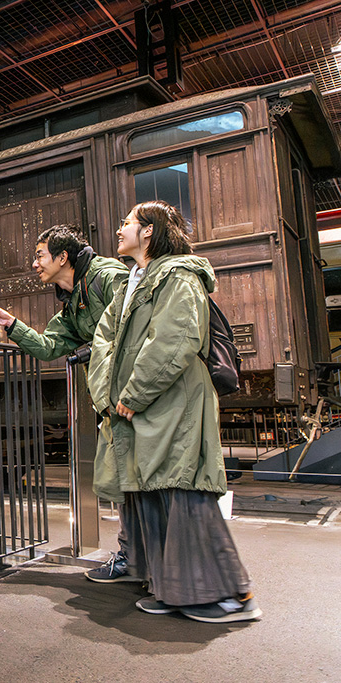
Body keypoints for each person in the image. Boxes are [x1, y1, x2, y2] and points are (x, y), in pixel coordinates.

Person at [88, 199, 260, 623]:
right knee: (155, 489)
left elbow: (176, 338)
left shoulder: (179, 274)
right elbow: (104, 339)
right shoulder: (137, 279)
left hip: (172, 398)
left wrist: (133, 392)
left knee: (183, 489)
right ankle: (176, 589)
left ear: (148, 231)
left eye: (127, 222)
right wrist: (112, 394)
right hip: (148, 402)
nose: (119, 228)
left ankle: (225, 597)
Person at [0, 226, 136, 584]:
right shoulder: (72, 301)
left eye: (40, 255)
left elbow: (134, 326)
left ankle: (142, 558)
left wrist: (92, 351)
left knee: (136, 477)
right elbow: (49, 347)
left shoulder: (107, 278)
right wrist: (11, 324)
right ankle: (136, 557)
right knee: (125, 476)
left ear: (63, 257)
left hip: (134, 395)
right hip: (114, 398)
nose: (34, 264)